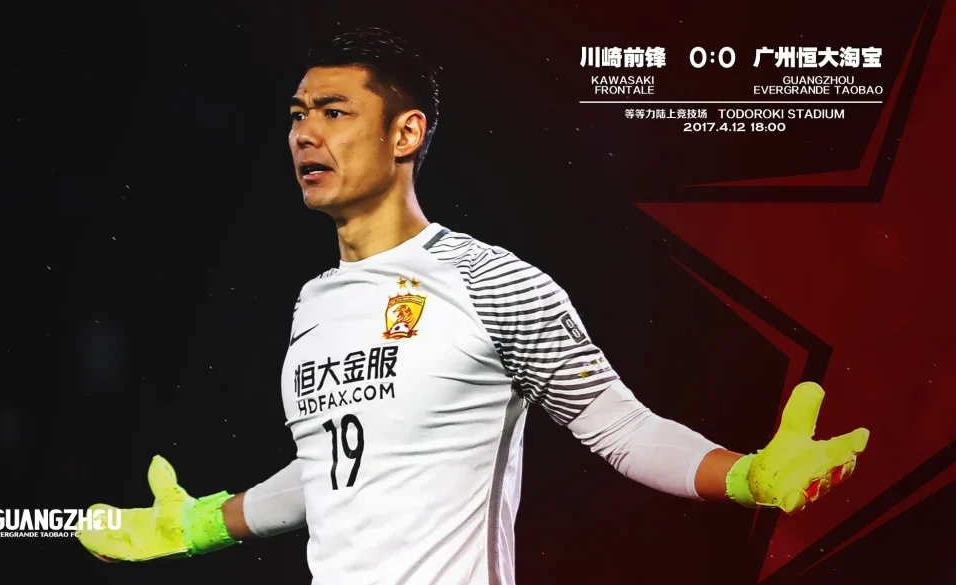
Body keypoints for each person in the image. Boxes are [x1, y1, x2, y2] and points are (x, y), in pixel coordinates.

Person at [77, 26, 870, 585]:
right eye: (296, 115)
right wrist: (201, 522)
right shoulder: (313, 304)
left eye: (334, 112)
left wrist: (747, 475)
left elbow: (621, 428)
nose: (304, 134)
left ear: (405, 134)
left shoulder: (490, 281)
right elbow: (336, 471)